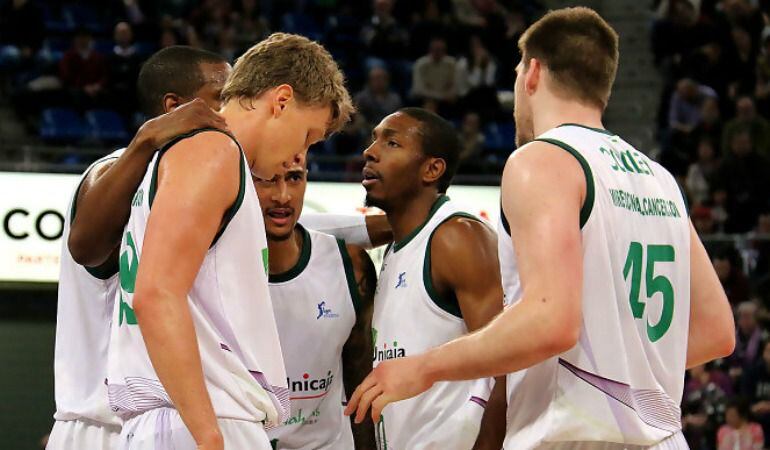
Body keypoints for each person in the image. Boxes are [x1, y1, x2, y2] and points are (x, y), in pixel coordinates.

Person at [347, 8, 736, 449]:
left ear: (531, 73)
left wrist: (423, 367)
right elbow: (716, 330)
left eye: (516, 75)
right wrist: (621, 367)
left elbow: (551, 321)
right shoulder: (660, 178)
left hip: (572, 438)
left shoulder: (542, 159)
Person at [106, 33, 353, 450]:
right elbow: (156, 294)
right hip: (199, 418)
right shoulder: (214, 151)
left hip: (191, 417)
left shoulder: (205, 154)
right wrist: (208, 437)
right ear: (281, 100)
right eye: (308, 135)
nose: (300, 154)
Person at [47, 46, 232, 450]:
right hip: (100, 426)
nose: (232, 111)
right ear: (175, 106)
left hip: (161, 424)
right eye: (223, 97)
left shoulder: (201, 179)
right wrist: (148, 138)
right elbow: (86, 246)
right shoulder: (114, 169)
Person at [357, 107, 507, 449]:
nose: (370, 151)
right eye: (374, 138)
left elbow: (509, 370)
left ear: (432, 169)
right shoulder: (398, 247)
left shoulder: (457, 237)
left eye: (391, 142)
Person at [255, 161, 377, 450]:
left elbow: (360, 380)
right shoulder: (209, 265)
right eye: (267, 180)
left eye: (294, 178)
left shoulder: (351, 266)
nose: (282, 195)